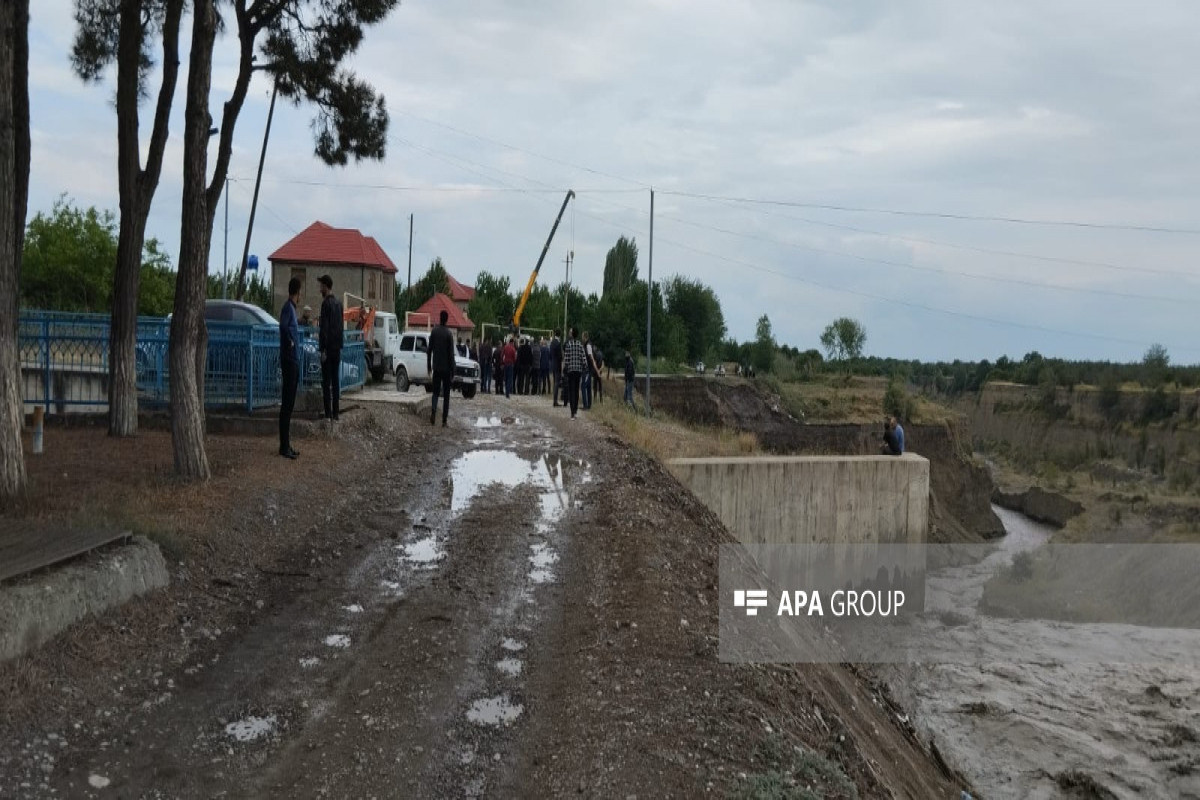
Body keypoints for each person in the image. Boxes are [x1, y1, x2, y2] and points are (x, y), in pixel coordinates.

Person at [278, 278, 302, 459]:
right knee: (287, 404)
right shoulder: (288, 308)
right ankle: (284, 446)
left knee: (290, 403)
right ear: (298, 292)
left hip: (292, 359)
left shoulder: (291, 309)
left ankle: (287, 444)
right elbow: (284, 327)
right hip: (289, 360)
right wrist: (291, 343)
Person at [317, 275, 343, 422]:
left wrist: (323, 349)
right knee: (336, 381)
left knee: (326, 382)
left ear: (326, 286)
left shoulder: (326, 304)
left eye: (321, 285)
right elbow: (340, 328)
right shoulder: (339, 304)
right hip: (337, 348)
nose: (320, 288)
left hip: (328, 349)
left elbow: (324, 329)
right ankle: (336, 413)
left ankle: (328, 413)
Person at [428, 309, 456, 427]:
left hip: (437, 368)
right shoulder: (449, 334)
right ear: (447, 319)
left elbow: (429, 350)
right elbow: (451, 354)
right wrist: (453, 370)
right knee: (446, 395)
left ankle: (433, 412)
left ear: (440, 318)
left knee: (435, 392)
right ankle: (444, 421)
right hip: (446, 369)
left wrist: (428, 365)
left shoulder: (434, 332)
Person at [563, 327, 586, 419]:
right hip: (578, 371)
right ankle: (575, 410)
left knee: (571, 390)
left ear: (572, 334)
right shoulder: (580, 345)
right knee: (576, 391)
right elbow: (583, 358)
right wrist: (585, 367)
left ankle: (572, 411)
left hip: (571, 371)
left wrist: (566, 368)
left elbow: (567, 358)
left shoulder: (569, 345)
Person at [550, 329, 563, 407]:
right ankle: (555, 401)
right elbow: (560, 356)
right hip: (557, 365)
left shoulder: (552, 342)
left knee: (555, 382)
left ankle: (554, 400)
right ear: (560, 335)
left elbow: (551, 354)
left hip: (553, 364)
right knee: (557, 383)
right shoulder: (558, 343)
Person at [581, 331, 593, 410]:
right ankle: (589, 405)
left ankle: (586, 405)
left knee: (583, 386)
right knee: (588, 387)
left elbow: (590, 357)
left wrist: (589, 367)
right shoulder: (588, 344)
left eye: (582, 337)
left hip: (587, 369)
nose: (582, 338)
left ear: (585, 337)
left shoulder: (588, 345)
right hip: (588, 369)